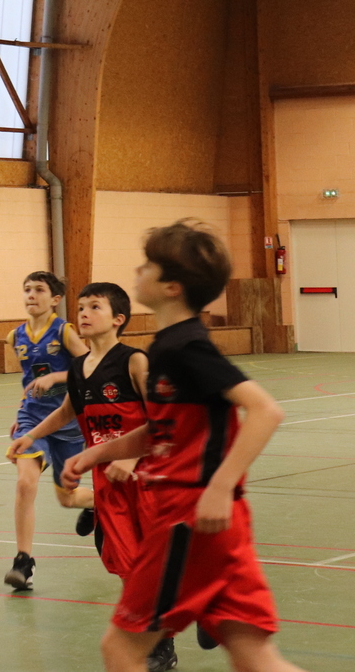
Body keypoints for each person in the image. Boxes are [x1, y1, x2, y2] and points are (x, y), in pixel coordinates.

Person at [63, 224, 304, 672]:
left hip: (189, 518)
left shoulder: (186, 347)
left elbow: (265, 411)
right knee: (253, 655)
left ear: (172, 287)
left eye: (149, 265)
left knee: (121, 649)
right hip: (217, 524)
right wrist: (95, 453)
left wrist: (219, 487)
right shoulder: (166, 347)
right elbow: (161, 429)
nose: (139, 270)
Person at [9, 282, 176, 672]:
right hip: (107, 481)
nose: (84, 313)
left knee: (155, 561)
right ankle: (159, 638)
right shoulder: (79, 369)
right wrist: (31, 435)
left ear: (118, 319)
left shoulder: (134, 361)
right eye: (81, 307)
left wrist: (131, 459)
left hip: (145, 476)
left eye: (94, 307)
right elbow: (68, 412)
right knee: (126, 563)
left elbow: (163, 419)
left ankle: (179, 623)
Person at [2, 270, 92, 591]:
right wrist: (22, 409)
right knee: (25, 483)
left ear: (55, 299)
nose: (31, 294)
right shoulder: (15, 336)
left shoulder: (64, 331)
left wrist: (56, 377)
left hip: (68, 423)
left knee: (67, 499)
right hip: (32, 420)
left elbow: (90, 368)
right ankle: (23, 561)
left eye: (39, 289)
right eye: (27, 289)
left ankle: (96, 503)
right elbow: (29, 379)